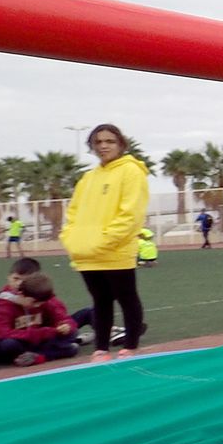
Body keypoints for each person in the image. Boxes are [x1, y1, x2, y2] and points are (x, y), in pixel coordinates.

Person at [61, 123, 151, 362]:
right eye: (98, 142)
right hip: (86, 253)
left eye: (109, 141)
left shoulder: (131, 171)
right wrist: (71, 239)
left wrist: (105, 240)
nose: (103, 146)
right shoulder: (88, 178)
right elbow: (73, 213)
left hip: (116, 250)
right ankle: (101, 349)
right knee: (100, 301)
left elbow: (130, 214)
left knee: (126, 298)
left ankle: (131, 346)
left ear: (121, 144)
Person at [0, 271, 82, 367]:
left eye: (41, 303)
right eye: (33, 302)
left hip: (30, 341)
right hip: (2, 344)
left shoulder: (43, 296)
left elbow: (63, 317)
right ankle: (49, 352)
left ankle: (37, 355)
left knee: (72, 333)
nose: (37, 306)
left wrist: (66, 325)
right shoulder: (1, 304)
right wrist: (43, 333)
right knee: (10, 344)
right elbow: (0, 334)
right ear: (21, 294)